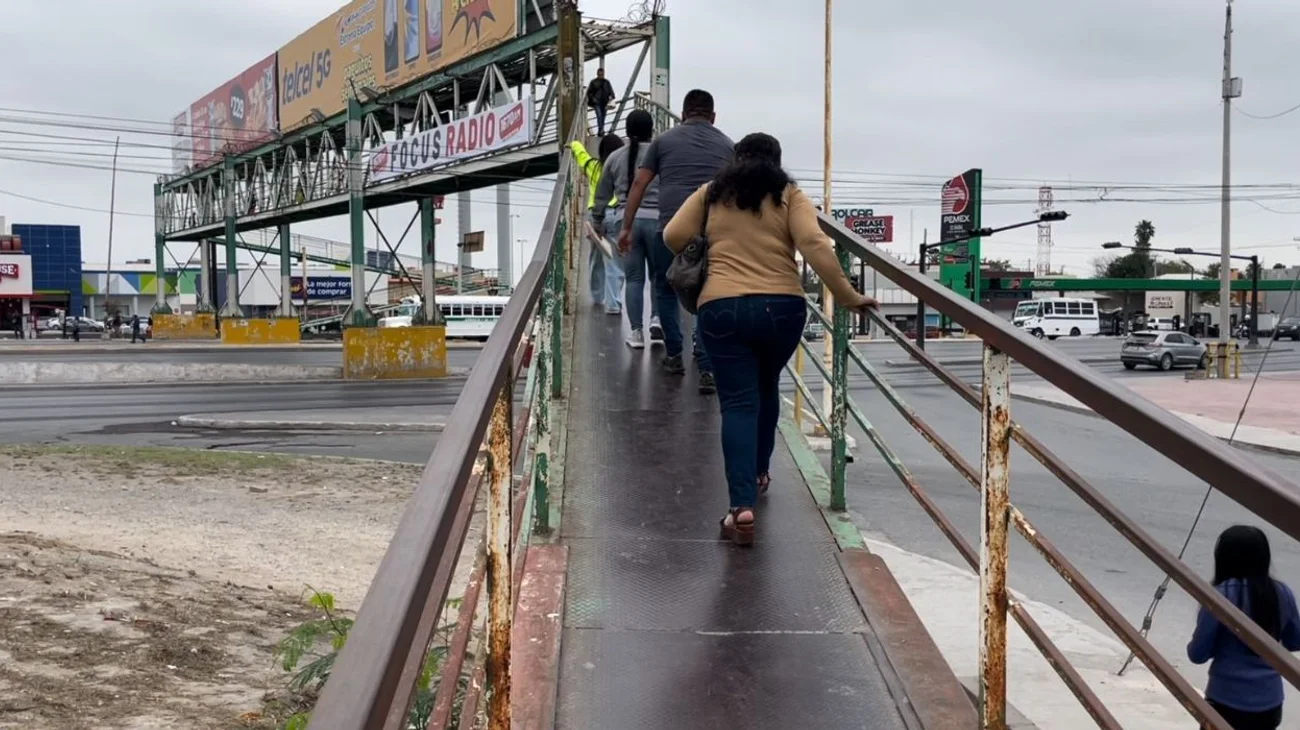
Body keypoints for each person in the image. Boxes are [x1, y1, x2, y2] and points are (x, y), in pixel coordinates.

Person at [664, 132, 876, 546]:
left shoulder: (712, 193)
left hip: (721, 306)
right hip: (782, 309)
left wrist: (710, 241)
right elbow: (813, 242)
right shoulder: (788, 194)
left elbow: (672, 235)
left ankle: (740, 507)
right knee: (766, 388)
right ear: (776, 162)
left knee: (738, 404)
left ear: (734, 160)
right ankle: (761, 472)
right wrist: (848, 296)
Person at [619, 89, 733, 392]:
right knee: (709, 294)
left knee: (666, 290)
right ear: (713, 116)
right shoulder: (727, 145)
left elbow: (639, 184)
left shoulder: (663, 141)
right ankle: (707, 368)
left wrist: (626, 227)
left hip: (671, 230)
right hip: (712, 233)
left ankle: (673, 355)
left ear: (683, 115)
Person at [1188, 525, 1300, 729]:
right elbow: (1295, 641)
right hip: (1270, 703)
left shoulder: (1220, 596)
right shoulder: (1282, 592)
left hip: (1225, 701)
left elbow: (1197, 654)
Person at [593, 109, 664, 349]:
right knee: (657, 276)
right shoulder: (661, 154)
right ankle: (656, 319)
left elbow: (602, 193)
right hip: (657, 221)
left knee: (634, 278)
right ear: (651, 130)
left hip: (626, 222)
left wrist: (598, 220)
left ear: (627, 130)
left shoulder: (615, 157)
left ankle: (636, 333)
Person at [570, 134, 626, 315]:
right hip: (616, 215)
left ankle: (597, 296)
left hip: (595, 217)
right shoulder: (622, 169)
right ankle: (613, 303)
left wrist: (574, 143)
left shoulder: (593, 167)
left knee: (596, 258)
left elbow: (582, 156)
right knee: (614, 260)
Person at [585, 68, 617, 137]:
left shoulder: (607, 82)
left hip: (605, 102)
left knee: (603, 116)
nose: (601, 76)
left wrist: (611, 97)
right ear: (597, 74)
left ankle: (600, 130)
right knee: (599, 115)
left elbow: (612, 93)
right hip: (597, 102)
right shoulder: (593, 82)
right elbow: (589, 92)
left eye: (602, 75)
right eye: (599, 75)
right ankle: (601, 130)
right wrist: (593, 99)